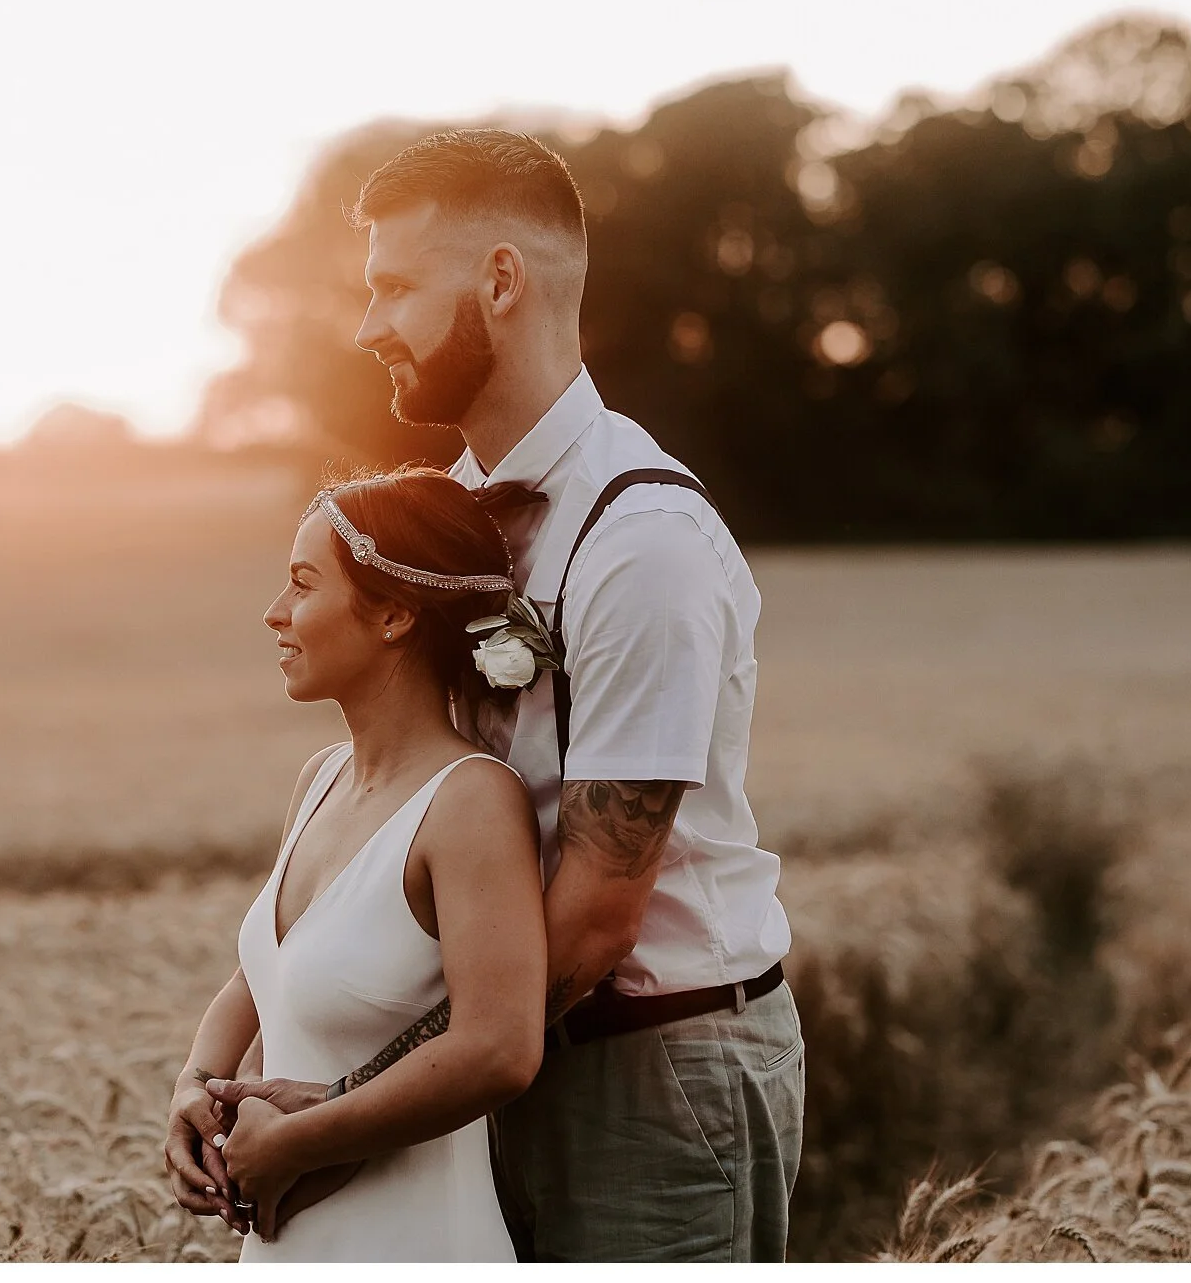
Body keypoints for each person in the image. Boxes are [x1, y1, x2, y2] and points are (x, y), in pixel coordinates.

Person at [199, 130, 805, 1261]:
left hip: (645, 1064)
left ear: (498, 280)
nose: (367, 325)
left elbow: (590, 917)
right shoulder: (453, 520)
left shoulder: (642, 541)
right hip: (483, 1058)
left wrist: (339, 1113)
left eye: (391, 286)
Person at [163, 468, 550, 1260]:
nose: (274, 612)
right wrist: (195, 1085)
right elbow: (262, 975)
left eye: (303, 585)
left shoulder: (471, 800)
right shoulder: (321, 778)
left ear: (396, 614)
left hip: (411, 1240)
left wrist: (301, 1143)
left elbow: (500, 1047)